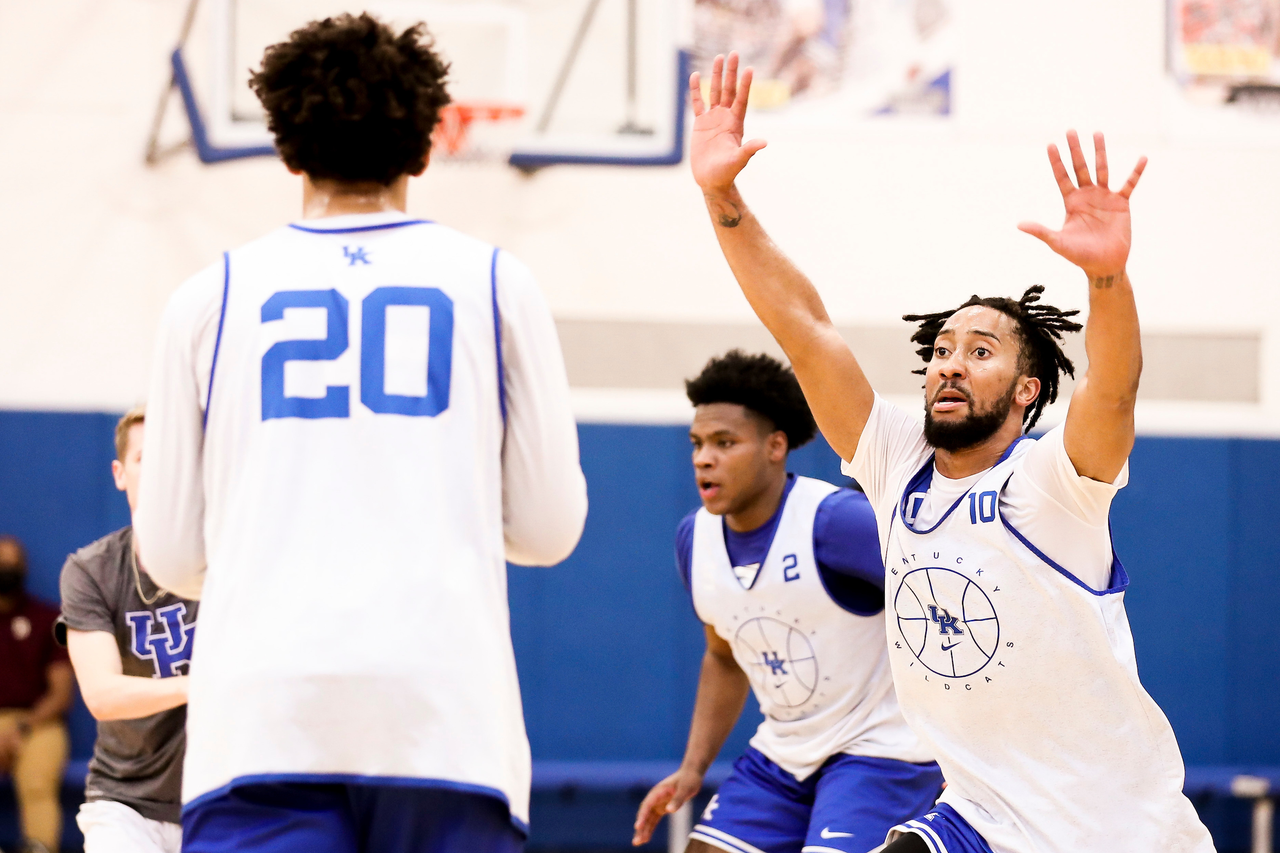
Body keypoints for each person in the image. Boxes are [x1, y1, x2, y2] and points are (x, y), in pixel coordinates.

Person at [685, 53, 1215, 853]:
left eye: (979, 350)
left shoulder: (1052, 483)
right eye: (940, 349)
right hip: (977, 814)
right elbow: (804, 327)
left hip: (1110, 823)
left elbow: (1111, 394)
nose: (949, 364)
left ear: (1028, 389)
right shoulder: (894, 459)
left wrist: (1108, 281)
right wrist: (722, 197)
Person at [135, 13, 587, 853]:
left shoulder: (207, 297)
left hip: (259, 715)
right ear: (425, 147)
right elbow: (547, 529)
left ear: (285, 145)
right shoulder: (496, 283)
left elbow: (167, 554)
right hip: (447, 715)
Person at [632, 351, 942, 853]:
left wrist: (963, 753)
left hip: (882, 753)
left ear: (776, 446)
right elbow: (722, 656)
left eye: (724, 442)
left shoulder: (837, 522)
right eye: (697, 443)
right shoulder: (695, 539)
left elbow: (945, 614)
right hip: (783, 753)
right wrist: (693, 767)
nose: (703, 458)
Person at [57, 407, 194, 853]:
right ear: (120, 473)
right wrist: (200, 685)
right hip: (126, 801)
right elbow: (102, 696)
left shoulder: (230, 557)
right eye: (144, 460)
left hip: (218, 791)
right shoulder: (91, 570)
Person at [0, 536, 74, 853]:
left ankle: (39, 847)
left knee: (37, 781)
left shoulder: (46, 618)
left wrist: (21, 727)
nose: (7, 569)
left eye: (13, 563)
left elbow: (61, 694)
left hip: (38, 722)